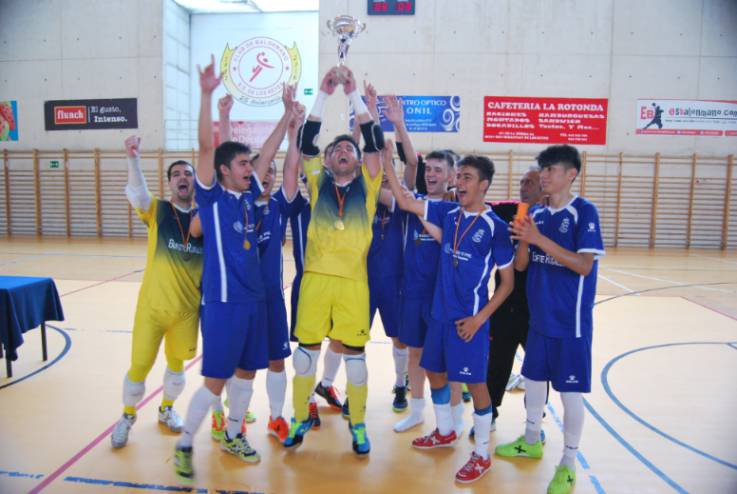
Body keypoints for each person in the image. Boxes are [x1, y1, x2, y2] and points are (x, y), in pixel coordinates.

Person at [172, 56, 295, 481]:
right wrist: (206, 96)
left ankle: (234, 433)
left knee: (248, 372)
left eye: (250, 165)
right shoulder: (212, 198)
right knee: (216, 379)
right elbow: (207, 149)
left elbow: (270, 153)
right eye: (243, 164)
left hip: (254, 301)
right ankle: (185, 442)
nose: (251, 169)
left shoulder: (248, 198)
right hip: (224, 303)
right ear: (224, 171)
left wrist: (286, 115)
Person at [383, 125, 515, 483]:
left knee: (477, 386)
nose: (459, 183)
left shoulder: (495, 227)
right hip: (439, 315)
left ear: (483, 184)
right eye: (459, 177)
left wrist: (479, 319)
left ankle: (482, 453)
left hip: (468, 321)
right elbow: (407, 201)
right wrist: (388, 161)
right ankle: (444, 431)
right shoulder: (448, 213)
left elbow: (507, 283)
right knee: (436, 372)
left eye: (466, 177)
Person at [283, 66, 384, 456]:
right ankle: (299, 418)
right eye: (335, 149)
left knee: (355, 358)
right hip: (315, 279)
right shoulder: (318, 180)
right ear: (325, 161)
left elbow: (374, 141)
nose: (343, 151)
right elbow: (305, 142)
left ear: (358, 161)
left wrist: (354, 94)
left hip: (353, 283)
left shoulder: (369, 184)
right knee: (304, 357)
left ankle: (357, 424)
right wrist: (323, 94)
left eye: (349, 149)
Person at [496, 144, 605, 494]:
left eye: (551, 170)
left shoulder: (584, 212)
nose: (543, 176)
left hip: (570, 323)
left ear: (570, 174)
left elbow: (584, 265)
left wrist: (538, 238)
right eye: (542, 169)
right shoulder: (539, 215)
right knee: (533, 380)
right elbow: (522, 266)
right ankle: (531, 440)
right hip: (539, 319)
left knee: (570, 393)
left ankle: (569, 463)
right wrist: (523, 238)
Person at [110, 136, 204, 449]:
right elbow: (138, 193)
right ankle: (127, 416)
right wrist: (133, 158)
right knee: (139, 367)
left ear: (195, 181)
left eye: (188, 173)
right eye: (176, 174)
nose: (182, 177)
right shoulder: (158, 211)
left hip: (186, 312)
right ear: (169, 183)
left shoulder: (205, 219)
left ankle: (166, 409)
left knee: (177, 370)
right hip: (151, 310)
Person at [381, 97, 465, 435]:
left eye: (438, 170)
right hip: (413, 293)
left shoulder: (458, 209)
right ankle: (417, 411)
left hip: (444, 296)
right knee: (415, 353)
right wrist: (387, 147)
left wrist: (399, 126)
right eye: (428, 170)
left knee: (447, 358)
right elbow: (395, 184)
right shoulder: (411, 201)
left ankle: (456, 415)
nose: (430, 174)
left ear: (453, 176)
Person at [251, 102, 305, 442]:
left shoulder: (278, 206)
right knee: (236, 363)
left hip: (271, 297)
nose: (268, 174)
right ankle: (228, 417)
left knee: (277, 360)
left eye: (271, 170)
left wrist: (294, 133)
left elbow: (291, 170)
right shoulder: (237, 204)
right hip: (240, 298)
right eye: (263, 169)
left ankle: (275, 418)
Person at [482, 166, 544, 432]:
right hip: (505, 304)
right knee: (497, 363)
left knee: (538, 368)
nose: (523, 187)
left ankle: (534, 423)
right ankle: (489, 413)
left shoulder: (550, 218)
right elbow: (482, 206)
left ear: (544, 187)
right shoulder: (509, 210)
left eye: (529, 182)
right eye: (522, 182)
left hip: (537, 308)